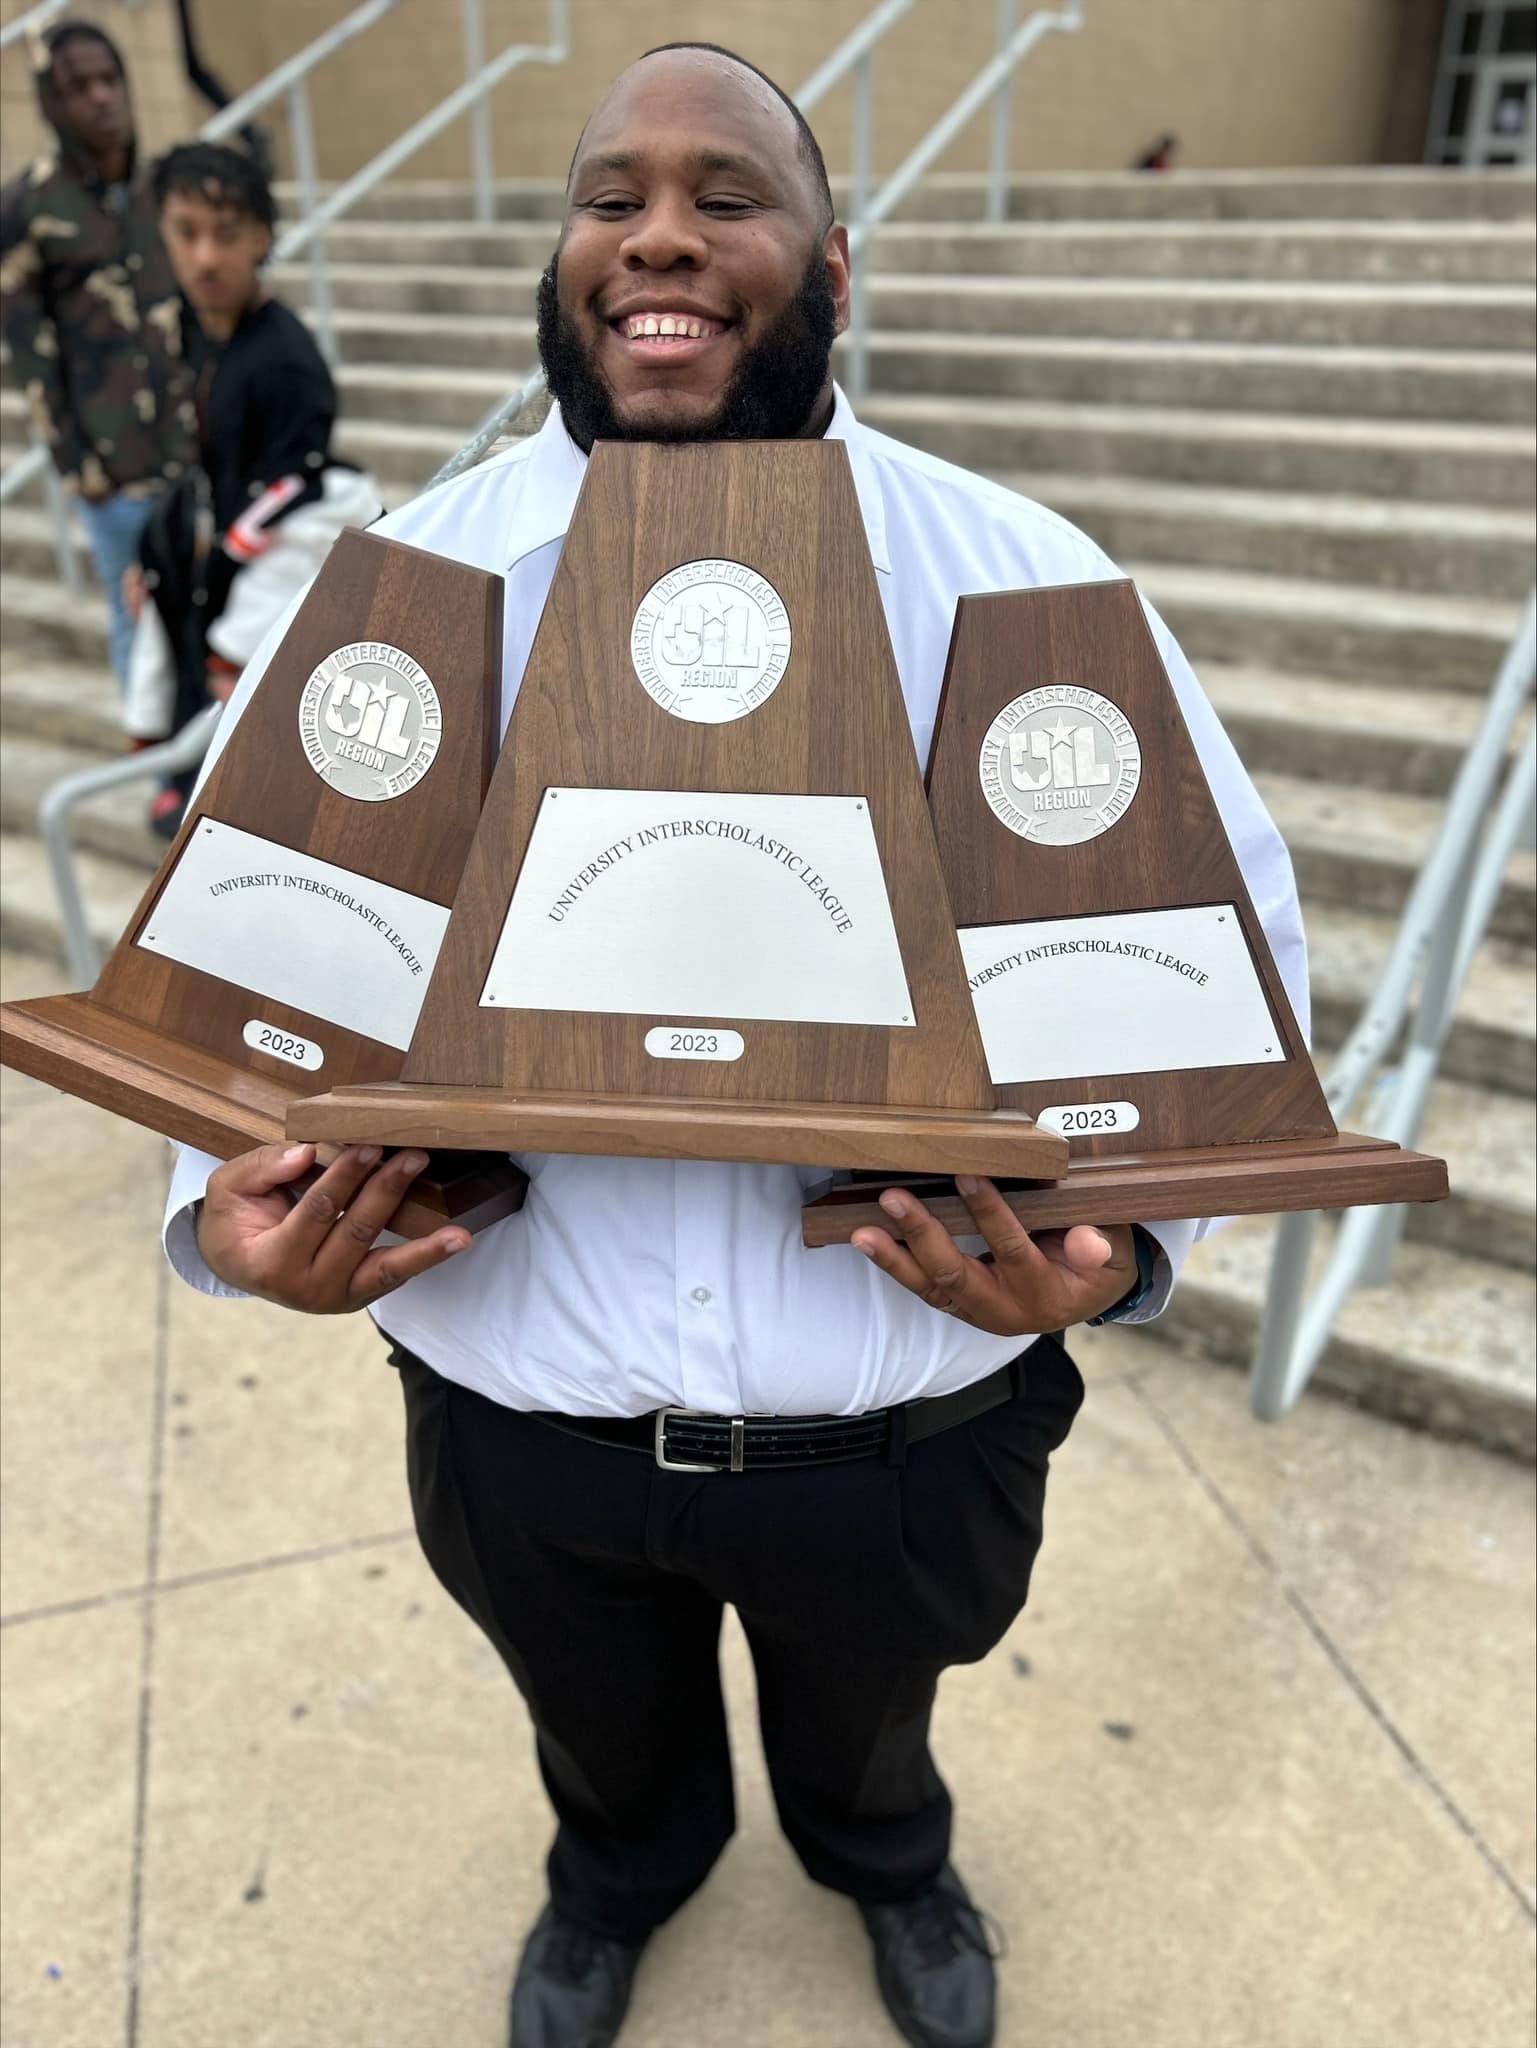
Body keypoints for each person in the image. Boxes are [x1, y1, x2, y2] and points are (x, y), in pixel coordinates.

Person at [161, 44, 1310, 2048]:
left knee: (874, 1720)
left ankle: (886, 1858)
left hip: (902, 1433)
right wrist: (233, 1216)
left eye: (725, 191)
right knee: (593, 1725)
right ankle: (618, 1874)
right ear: (565, 255)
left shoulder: (1021, 591)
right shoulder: (404, 597)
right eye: (611, 195)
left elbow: (1223, 982)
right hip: (529, 1424)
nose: (659, 233)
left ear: (834, 266)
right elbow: (256, 975)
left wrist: (1119, 1255)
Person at [121, 141, 379, 836]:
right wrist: (157, 551)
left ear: (261, 237)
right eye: (186, 232)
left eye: (226, 235)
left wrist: (234, 566)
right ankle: (184, 782)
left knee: (240, 708)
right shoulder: (184, 332)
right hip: (214, 556)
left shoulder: (286, 359)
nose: (205, 256)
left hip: (265, 567)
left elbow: (300, 484)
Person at [0, 20, 195, 691]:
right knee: (136, 624)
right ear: (52, 103)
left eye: (110, 79)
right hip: (112, 471)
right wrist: (78, 467)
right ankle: (164, 781)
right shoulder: (25, 207)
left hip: (193, 451)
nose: (102, 97)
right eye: (79, 86)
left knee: (213, 614)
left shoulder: (165, 189)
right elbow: (29, 355)